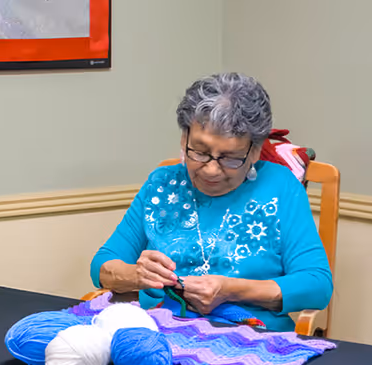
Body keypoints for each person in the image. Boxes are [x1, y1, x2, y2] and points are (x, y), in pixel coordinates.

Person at [90, 73, 332, 331]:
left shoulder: (280, 186)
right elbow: (103, 265)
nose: (211, 170)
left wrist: (231, 290)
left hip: (251, 337)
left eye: (230, 157)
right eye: (200, 152)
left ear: (255, 150)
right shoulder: (162, 184)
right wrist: (137, 276)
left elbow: (316, 284)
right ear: (184, 138)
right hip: (159, 332)